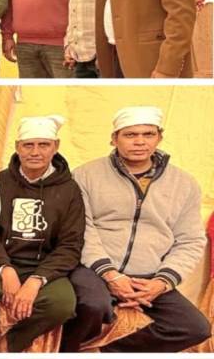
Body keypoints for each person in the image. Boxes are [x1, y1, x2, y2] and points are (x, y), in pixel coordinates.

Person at [61, 107, 209, 352]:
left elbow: (190, 240)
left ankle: (103, 349)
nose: (140, 142)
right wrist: (111, 275)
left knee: (195, 328)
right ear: (114, 138)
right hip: (94, 269)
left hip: (149, 275)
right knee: (93, 305)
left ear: (159, 138)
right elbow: (81, 229)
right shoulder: (85, 175)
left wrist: (162, 282)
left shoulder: (184, 183)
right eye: (130, 135)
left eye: (148, 134)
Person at [0, 115, 83, 352]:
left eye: (44, 145)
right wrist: (5, 268)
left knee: (62, 304)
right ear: (17, 147)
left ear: (56, 146)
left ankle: (11, 343)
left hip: (44, 264)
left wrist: (37, 279)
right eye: (28, 145)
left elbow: (70, 245)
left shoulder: (69, 189)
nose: (35, 152)